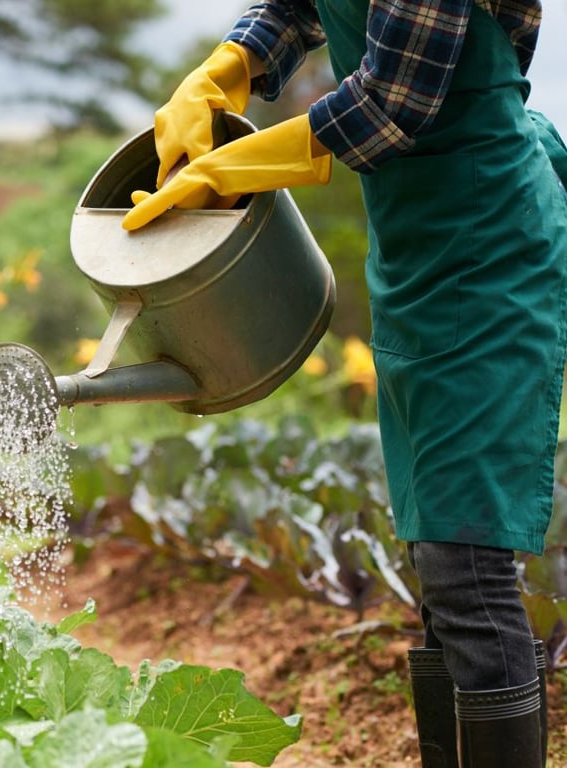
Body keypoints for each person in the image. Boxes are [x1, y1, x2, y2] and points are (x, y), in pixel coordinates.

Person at [125, 2, 567, 767]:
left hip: (489, 238)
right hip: (417, 246)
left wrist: (226, 169)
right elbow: (297, 7)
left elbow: (387, 106)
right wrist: (224, 69)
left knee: (467, 561)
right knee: (438, 558)